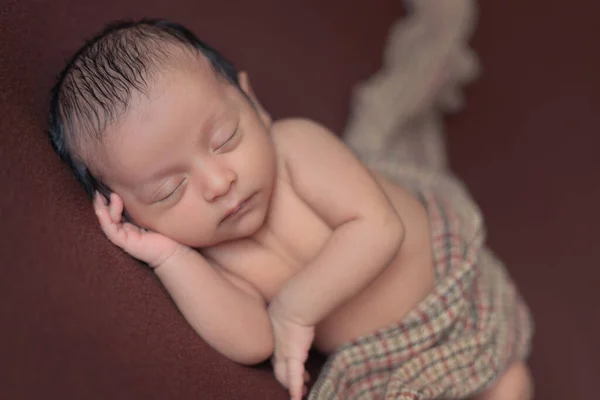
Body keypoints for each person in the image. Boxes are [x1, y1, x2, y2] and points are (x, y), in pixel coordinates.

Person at [48, 19, 533, 400]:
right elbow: (254, 340)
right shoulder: (215, 255)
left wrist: (294, 309)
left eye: (225, 138)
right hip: (388, 364)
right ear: (132, 212)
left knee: (508, 386)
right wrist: (169, 258)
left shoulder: (295, 147)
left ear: (253, 104)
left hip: (451, 287)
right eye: (170, 190)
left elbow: (378, 230)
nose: (219, 183)